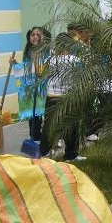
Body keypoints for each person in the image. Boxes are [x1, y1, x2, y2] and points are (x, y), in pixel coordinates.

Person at [41, 33, 85, 162]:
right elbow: (81, 78)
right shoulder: (75, 60)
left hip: (51, 97)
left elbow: (40, 75)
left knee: (49, 126)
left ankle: (44, 153)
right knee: (71, 127)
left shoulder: (48, 60)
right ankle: (71, 155)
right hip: (67, 98)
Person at [10, 27, 50, 142]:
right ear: (29, 37)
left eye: (38, 34)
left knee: (42, 114)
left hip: (43, 87)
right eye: (33, 35)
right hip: (30, 89)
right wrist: (16, 64)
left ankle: (42, 137)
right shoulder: (28, 51)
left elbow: (47, 67)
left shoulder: (46, 50)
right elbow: (26, 69)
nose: (35, 37)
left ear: (44, 37)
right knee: (32, 115)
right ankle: (35, 137)